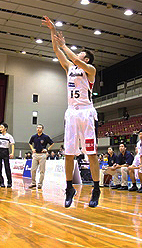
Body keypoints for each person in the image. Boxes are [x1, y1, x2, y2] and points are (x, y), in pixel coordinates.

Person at [43, 16, 101, 208]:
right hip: (72, 113)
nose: (77, 56)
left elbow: (72, 57)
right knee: (69, 154)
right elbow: (56, 50)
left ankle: (96, 188)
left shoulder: (90, 70)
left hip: (86, 113)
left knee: (91, 154)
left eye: (81, 54)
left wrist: (65, 45)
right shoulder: (69, 68)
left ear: (87, 59)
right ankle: (69, 188)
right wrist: (53, 32)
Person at [0, 114, 15, 188]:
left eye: (2, 127)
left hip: (5, 151)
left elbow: (12, 144)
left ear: (6, 128)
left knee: (7, 167)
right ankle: (1, 182)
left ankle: (9, 182)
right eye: (0, 127)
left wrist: (12, 153)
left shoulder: (9, 136)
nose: (0, 128)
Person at [28, 124, 54, 189]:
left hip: (42, 155)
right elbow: (30, 143)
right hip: (35, 154)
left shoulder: (45, 137)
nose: (38, 129)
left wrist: (47, 149)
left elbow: (52, 143)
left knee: (42, 170)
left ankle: (40, 184)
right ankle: (33, 183)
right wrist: (32, 149)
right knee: (33, 169)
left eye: (40, 128)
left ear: (42, 129)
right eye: (37, 128)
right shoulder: (34, 136)